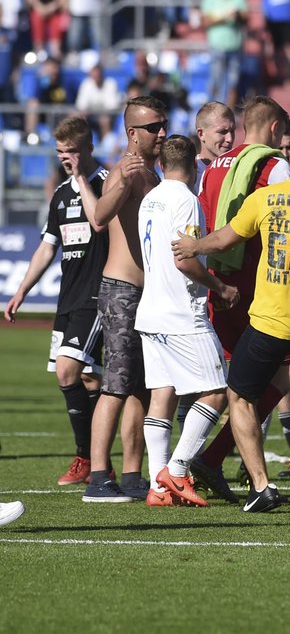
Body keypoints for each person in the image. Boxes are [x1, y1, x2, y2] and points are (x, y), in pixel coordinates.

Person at [172, 126, 290, 513]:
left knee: (241, 396)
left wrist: (195, 245)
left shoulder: (268, 197)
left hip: (270, 320)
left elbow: (227, 239)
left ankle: (261, 485)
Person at [186, 96, 290, 503]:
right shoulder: (272, 165)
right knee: (274, 379)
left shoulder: (212, 167)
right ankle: (205, 462)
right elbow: (287, 223)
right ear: (274, 129)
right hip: (258, 286)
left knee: (233, 383)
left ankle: (203, 462)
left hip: (219, 281)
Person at [4, 117, 108, 487]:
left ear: (89, 149)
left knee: (68, 370)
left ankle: (87, 457)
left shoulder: (107, 183)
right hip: (69, 298)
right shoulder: (61, 194)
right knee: (89, 378)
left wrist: (82, 179)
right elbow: (48, 247)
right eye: (61, 152)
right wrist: (21, 291)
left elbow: (100, 223)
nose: (67, 158)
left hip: (97, 296)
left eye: (73, 152)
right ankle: (99, 462)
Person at [136, 136, 238, 508]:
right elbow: (185, 259)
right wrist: (220, 287)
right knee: (216, 391)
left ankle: (157, 486)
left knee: (162, 395)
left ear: (162, 163)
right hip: (182, 313)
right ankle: (177, 471)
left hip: (150, 311)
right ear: (194, 163)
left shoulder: (151, 198)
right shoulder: (187, 201)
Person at [83, 96, 167, 503]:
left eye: (163, 124)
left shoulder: (152, 173)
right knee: (115, 386)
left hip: (147, 292)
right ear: (133, 133)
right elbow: (99, 216)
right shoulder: (126, 169)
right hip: (122, 291)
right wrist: (119, 179)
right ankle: (99, 475)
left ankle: (133, 474)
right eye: (153, 127)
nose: (161, 133)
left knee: (140, 389)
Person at [200, 0, 248, 108]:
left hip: (234, 46)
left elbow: (246, 18)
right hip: (217, 46)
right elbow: (205, 21)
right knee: (216, 80)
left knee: (233, 82)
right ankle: (212, 109)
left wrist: (237, 15)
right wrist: (224, 17)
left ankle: (229, 113)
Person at [193, 101, 236, 194]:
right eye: (222, 132)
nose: (230, 139)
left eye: (232, 131)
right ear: (201, 134)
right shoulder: (191, 173)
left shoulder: (239, 168)